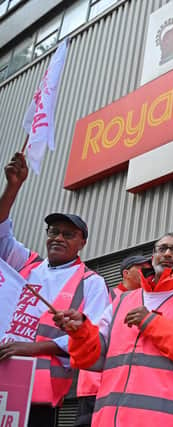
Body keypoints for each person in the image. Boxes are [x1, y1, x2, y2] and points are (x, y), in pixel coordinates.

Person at [54, 233, 173, 427]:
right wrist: (80, 331)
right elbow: (93, 358)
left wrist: (150, 322)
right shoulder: (122, 301)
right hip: (108, 420)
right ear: (153, 256)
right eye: (161, 249)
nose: (166, 254)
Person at [0, 153, 109, 427]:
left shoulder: (91, 282)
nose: (58, 237)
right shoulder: (25, 263)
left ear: (82, 242)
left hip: (38, 393)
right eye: (53, 231)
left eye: (68, 234)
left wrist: (30, 349)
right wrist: (12, 187)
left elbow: (93, 336)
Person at [74, 255, 153, 427]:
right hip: (94, 385)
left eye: (149, 269)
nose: (147, 272)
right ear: (125, 273)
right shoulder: (108, 297)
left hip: (122, 386)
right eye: (142, 269)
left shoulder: (146, 301)